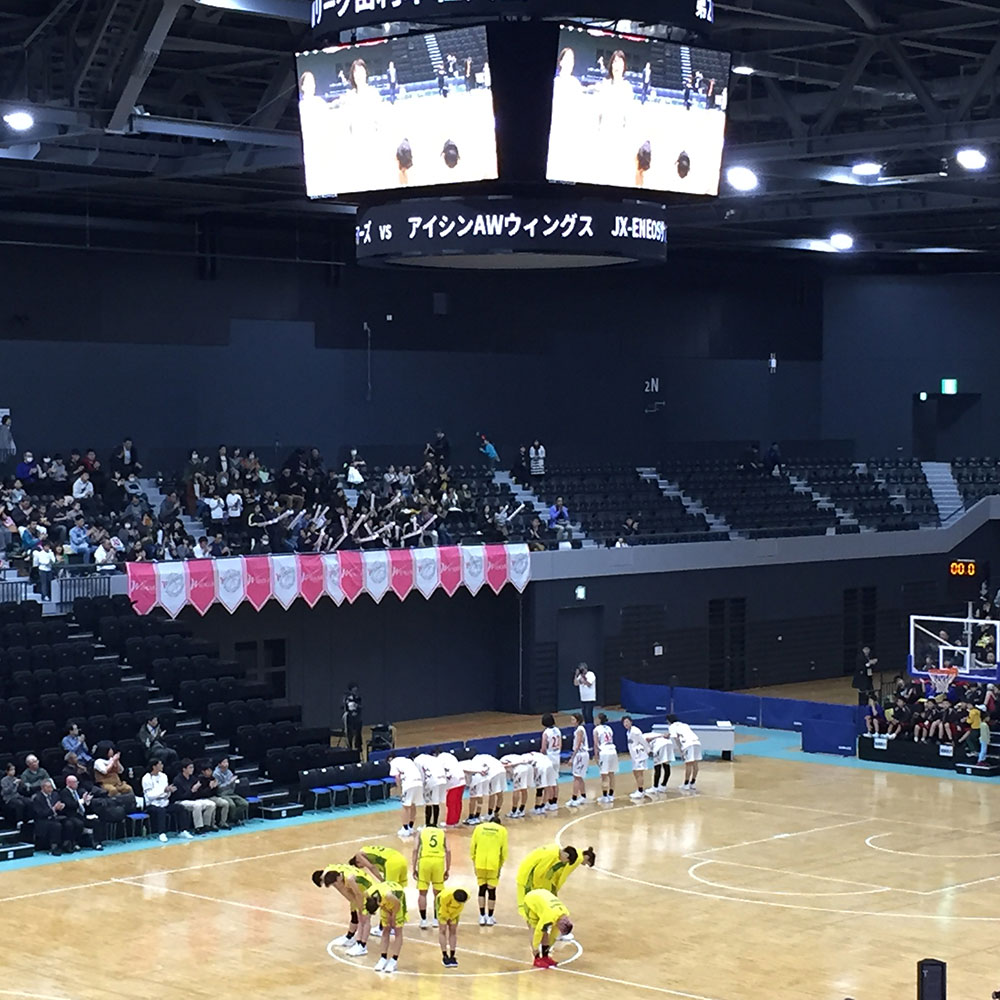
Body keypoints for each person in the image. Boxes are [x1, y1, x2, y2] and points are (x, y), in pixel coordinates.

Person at [313, 864, 377, 956]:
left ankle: (362, 946)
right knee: (355, 913)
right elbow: (351, 897)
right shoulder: (331, 872)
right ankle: (350, 937)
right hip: (358, 889)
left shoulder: (347, 879)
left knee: (364, 919)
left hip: (368, 891)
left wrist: (360, 907)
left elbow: (357, 894)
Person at [469, 816, 508, 925]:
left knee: (481, 889)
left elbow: (472, 847)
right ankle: (490, 917)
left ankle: (482, 916)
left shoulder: (479, 828)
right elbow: (504, 851)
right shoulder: (502, 831)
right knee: (491, 891)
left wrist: (474, 862)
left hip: (480, 862)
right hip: (493, 863)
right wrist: (500, 866)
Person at [142, 759, 193, 841]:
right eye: (160, 764)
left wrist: (169, 791)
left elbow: (166, 792)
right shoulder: (146, 778)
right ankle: (161, 833)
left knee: (180, 808)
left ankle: (183, 830)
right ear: (154, 767)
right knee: (161, 811)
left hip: (164, 802)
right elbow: (150, 796)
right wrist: (163, 791)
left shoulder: (163, 776)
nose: (162, 766)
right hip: (152, 804)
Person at [523, 889, 573, 968]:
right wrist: (535, 947)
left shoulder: (564, 913)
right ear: (561, 925)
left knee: (545, 929)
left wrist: (549, 946)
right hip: (530, 901)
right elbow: (538, 931)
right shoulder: (549, 916)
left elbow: (554, 933)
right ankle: (536, 958)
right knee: (534, 928)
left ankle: (545, 956)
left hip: (542, 898)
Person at [412, 824, 450, 929]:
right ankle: (436, 919)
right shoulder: (442, 833)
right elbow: (448, 850)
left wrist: (414, 867)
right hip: (438, 862)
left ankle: (423, 920)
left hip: (425, 861)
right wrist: (447, 869)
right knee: (438, 893)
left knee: (422, 893)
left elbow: (415, 849)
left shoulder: (421, 832)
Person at [368, 881, 407, 973]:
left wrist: (393, 916)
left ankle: (394, 960)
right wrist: (386, 911)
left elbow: (397, 904)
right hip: (385, 902)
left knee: (397, 931)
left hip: (398, 901)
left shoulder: (388, 895)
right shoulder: (369, 893)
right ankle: (383, 958)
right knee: (385, 929)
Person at [32, 778, 78, 856]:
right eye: (48, 787)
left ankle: (67, 843)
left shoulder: (55, 795)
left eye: (51, 787)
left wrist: (62, 807)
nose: (51, 789)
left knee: (68, 823)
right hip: (43, 820)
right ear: (43, 788)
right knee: (56, 826)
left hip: (55, 817)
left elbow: (59, 806)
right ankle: (54, 846)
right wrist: (53, 809)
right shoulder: (37, 798)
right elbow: (40, 813)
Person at [170, 758, 216, 833]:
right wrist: (192, 790)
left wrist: (207, 788)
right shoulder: (177, 780)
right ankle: (198, 827)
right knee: (197, 805)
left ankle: (206, 825)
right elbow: (180, 796)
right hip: (180, 801)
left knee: (211, 804)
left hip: (193, 799)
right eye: (190, 768)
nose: (192, 769)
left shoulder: (193, 778)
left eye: (193, 767)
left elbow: (199, 794)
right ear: (184, 769)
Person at [60, 774, 104, 851]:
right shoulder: (64, 792)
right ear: (69, 783)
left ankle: (96, 843)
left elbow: (84, 804)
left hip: (82, 814)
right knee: (78, 823)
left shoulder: (79, 791)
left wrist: (87, 801)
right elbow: (70, 805)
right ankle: (75, 843)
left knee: (96, 821)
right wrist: (82, 801)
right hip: (71, 815)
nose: (77, 783)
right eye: (75, 782)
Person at [387, 752, 423, 837]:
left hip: (409, 783)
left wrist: (399, 790)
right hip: (419, 782)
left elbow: (397, 777)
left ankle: (405, 829)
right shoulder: (407, 760)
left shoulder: (393, 762)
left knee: (405, 806)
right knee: (413, 804)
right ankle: (410, 827)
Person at [667, 714, 703, 792]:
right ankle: (693, 783)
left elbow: (676, 739)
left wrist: (681, 750)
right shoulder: (685, 725)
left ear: (668, 721)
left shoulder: (672, 727)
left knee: (688, 764)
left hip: (688, 744)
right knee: (695, 764)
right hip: (697, 742)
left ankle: (686, 784)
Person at [433, 746, 467, 827]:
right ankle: (456, 820)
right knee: (458, 802)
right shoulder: (451, 756)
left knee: (451, 803)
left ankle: (450, 822)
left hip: (454, 782)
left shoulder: (439, 759)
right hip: (462, 779)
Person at [435, 887, 469, 967]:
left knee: (453, 930)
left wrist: (452, 916)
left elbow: (460, 908)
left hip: (454, 912)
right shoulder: (444, 897)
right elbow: (443, 908)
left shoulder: (466, 896)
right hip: (443, 908)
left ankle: (452, 955)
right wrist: (447, 917)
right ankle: (444, 955)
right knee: (442, 930)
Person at [414, 751, 448, 829]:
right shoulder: (431, 758)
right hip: (442, 779)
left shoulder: (417, 760)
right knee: (436, 802)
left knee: (428, 803)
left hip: (432, 780)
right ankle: (435, 824)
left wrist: (422, 786)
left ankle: (427, 824)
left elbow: (421, 774)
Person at [212, 757, 249, 824]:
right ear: (219, 764)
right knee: (232, 805)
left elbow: (232, 785)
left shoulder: (229, 772)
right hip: (221, 793)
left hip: (231, 793)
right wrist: (229, 782)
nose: (226, 764)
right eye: (224, 762)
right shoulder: (216, 774)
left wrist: (235, 782)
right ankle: (232, 819)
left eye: (227, 762)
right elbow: (218, 787)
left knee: (244, 803)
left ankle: (234, 818)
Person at [592, 712, 619, 803]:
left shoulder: (596, 729)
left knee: (604, 775)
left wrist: (596, 756)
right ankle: (611, 795)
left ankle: (604, 796)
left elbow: (596, 744)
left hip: (604, 752)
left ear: (599, 720)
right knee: (611, 774)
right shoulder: (609, 728)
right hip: (613, 750)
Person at [196, 762, 232, 829]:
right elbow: (201, 794)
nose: (210, 772)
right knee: (213, 804)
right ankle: (212, 824)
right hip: (204, 798)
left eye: (211, 770)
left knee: (225, 803)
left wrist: (216, 787)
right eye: (208, 770)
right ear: (203, 771)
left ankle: (223, 822)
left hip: (213, 797)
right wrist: (210, 787)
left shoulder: (213, 778)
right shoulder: (199, 779)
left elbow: (215, 792)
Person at [623, 716, 651, 799]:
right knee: (635, 772)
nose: (626, 724)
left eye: (627, 722)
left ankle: (640, 791)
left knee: (639, 773)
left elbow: (643, 741)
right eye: (624, 722)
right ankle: (639, 789)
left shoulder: (635, 731)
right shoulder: (628, 732)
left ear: (631, 722)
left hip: (640, 754)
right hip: (634, 756)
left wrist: (648, 750)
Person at [567, 712, 590, 807]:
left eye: (573, 720)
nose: (572, 721)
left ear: (578, 720)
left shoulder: (580, 730)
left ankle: (574, 798)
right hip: (581, 754)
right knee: (579, 777)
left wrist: (572, 758)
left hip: (580, 754)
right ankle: (583, 796)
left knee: (576, 777)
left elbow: (578, 744)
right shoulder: (579, 729)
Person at [500, 753, 533, 818]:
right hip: (529, 767)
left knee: (516, 790)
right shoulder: (516, 757)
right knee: (524, 789)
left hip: (520, 769)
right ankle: (522, 810)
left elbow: (506, 766)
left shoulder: (501, 763)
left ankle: (514, 811)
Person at [527, 749, 559, 814]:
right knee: (548, 786)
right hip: (550, 766)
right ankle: (543, 806)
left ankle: (537, 808)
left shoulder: (526, 757)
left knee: (539, 789)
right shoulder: (540, 755)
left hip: (541, 768)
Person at [1, 761, 28, 827]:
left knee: (29, 801)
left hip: (17, 796)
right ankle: (19, 821)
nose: (13, 771)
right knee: (19, 804)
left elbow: (20, 790)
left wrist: (22, 784)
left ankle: (28, 819)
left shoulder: (15, 778)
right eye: (11, 770)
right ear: (7, 771)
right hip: (9, 798)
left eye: (14, 769)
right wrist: (13, 784)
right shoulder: (3, 780)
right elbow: (6, 791)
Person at [343, 682, 363, 753]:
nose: (355, 691)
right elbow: (345, 708)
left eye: (356, 690)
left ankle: (358, 747)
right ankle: (349, 747)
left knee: (358, 732)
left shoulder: (358, 698)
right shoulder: (346, 698)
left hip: (357, 717)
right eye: (354, 690)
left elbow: (360, 707)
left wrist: (357, 706)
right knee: (349, 732)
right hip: (349, 717)